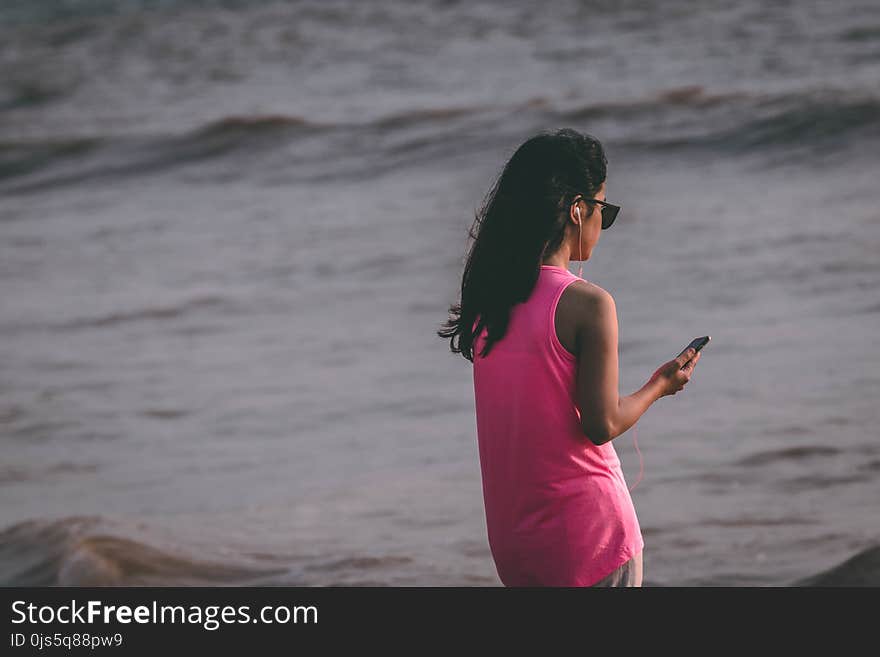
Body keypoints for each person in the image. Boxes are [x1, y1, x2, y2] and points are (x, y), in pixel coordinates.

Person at [437, 128, 702, 587]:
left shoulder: (488, 303)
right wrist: (662, 384)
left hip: (517, 548)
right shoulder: (588, 304)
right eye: (605, 210)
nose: (604, 222)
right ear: (578, 209)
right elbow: (602, 424)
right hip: (591, 540)